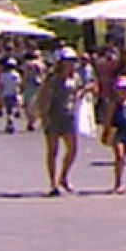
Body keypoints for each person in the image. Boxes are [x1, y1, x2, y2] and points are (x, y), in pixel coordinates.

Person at [37, 48, 82, 196]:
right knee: (53, 150)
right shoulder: (53, 79)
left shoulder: (74, 78)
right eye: (68, 61)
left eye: (73, 61)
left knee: (73, 149)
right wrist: (44, 116)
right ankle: (53, 183)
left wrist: (85, 91)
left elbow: (74, 95)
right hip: (53, 114)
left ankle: (64, 176)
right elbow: (44, 97)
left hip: (68, 115)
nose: (71, 64)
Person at [0, 58, 22, 134]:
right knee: (13, 109)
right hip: (14, 93)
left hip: (6, 93)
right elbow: (18, 84)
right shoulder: (16, 75)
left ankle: (10, 124)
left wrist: (0, 95)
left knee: (9, 111)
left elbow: (1, 86)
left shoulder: (3, 75)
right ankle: (11, 122)